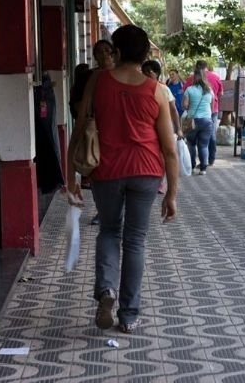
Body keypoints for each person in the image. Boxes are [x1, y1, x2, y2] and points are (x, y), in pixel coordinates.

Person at [66, 24, 179, 334]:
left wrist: (71, 176)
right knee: (135, 241)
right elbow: (169, 150)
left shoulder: (98, 80)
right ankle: (129, 316)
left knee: (109, 231)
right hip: (146, 171)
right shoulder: (156, 90)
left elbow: (79, 129)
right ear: (145, 55)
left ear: (115, 51)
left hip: (107, 171)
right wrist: (171, 194)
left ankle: (106, 291)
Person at [141, 59, 182, 194]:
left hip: (164, 126)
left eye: (149, 72)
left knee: (164, 154)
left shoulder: (163, 88)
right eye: (144, 72)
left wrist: (178, 128)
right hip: (147, 127)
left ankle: (160, 181)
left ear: (157, 73)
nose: (146, 75)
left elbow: (173, 109)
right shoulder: (138, 87)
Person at [85, 39, 115, 225]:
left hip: (117, 130)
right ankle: (101, 210)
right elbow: (77, 103)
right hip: (95, 131)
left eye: (107, 50)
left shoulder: (121, 75)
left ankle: (117, 209)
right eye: (99, 51)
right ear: (94, 55)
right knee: (96, 171)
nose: (104, 54)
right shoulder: (89, 77)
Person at [184, 60, 223, 166]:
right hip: (211, 111)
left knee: (192, 141)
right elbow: (220, 93)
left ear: (196, 67)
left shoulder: (190, 80)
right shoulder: (216, 78)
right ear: (207, 67)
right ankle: (210, 160)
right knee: (210, 137)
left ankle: (193, 163)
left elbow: (185, 99)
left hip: (193, 115)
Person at [182, 68, 213, 175]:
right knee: (204, 145)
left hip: (193, 121)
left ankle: (192, 166)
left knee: (191, 144)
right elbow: (211, 106)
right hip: (207, 121)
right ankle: (203, 169)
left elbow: (185, 105)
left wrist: (190, 107)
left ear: (194, 78)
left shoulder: (189, 89)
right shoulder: (209, 90)